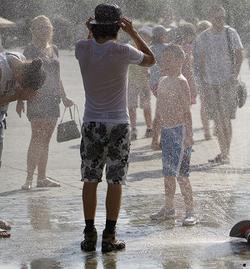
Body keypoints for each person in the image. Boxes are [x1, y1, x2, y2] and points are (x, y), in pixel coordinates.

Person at [75, 3, 155, 253]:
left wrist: (90, 31)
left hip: (92, 122)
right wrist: (133, 32)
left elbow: (90, 46)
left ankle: (89, 235)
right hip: (119, 123)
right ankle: (110, 236)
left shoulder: (81, 48)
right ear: (118, 27)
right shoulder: (123, 51)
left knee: (90, 179)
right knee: (115, 180)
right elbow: (151, 60)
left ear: (94, 26)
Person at [18, 15, 74, 190]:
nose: (44, 30)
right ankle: (28, 179)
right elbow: (22, 76)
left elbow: (57, 77)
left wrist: (64, 97)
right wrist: (20, 99)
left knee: (46, 140)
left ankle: (41, 178)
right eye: (40, 27)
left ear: (51, 30)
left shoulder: (54, 48)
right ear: (33, 30)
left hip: (53, 100)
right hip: (36, 98)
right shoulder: (29, 50)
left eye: (47, 27)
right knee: (37, 138)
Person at [149, 44, 196, 226]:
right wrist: (156, 135)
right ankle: (169, 208)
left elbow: (187, 111)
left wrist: (189, 135)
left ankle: (190, 211)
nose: (165, 63)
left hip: (180, 131)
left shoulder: (181, 82)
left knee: (182, 175)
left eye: (169, 59)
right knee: (168, 173)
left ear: (180, 61)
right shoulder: (162, 81)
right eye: (164, 59)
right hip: (167, 132)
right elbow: (159, 110)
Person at [0, 50, 44, 239]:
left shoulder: (19, 60)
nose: (18, 86)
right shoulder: (2, 69)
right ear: (21, 75)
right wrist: (16, 96)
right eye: (21, 84)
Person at [195, 5, 244, 164]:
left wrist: (234, 75)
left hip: (227, 83)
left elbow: (239, 54)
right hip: (210, 83)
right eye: (217, 18)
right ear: (210, 18)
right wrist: (202, 82)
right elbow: (200, 61)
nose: (220, 21)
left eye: (223, 17)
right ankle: (223, 152)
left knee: (225, 118)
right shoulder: (203, 37)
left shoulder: (231, 33)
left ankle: (225, 153)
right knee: (217, 119)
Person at [128, 29, 153, 141]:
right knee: (132, 107)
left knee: (146, 107)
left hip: (144, 84)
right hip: (132, 82)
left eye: (145, 37)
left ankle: (149, 128)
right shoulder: (130, 48)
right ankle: (133, 129)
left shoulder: (149, 49)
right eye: (140, 36)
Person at [149, 25, 169, 150]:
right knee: (162, 112)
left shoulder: (150, 48)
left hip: (154, 83)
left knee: (161, 111)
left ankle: (157, 140)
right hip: (165, 82)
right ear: (161, 36)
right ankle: (157, 140)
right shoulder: (167, 48)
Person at [195, 20, 213, 140]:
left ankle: (207, 131)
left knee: (204, 104)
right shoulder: (211, 42)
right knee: (214, 104)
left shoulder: (196, 43)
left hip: (201, 77)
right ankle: (212, 129)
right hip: (208, 77)